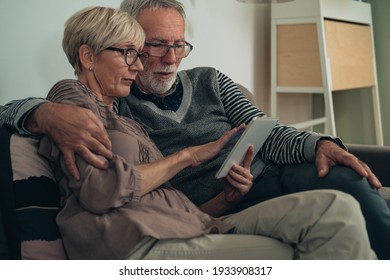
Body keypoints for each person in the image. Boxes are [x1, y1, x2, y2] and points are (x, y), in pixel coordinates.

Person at [0, 0, 388, 258]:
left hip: (246, 187)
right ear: (128, 41)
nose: (170, 59)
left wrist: (317, 142)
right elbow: (48, 109)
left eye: (179, 45)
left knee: (348, 188)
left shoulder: (209, 81)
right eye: (150, 46)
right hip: (196, 216)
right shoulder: (117, 101)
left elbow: (264, 129)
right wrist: (40, 112)